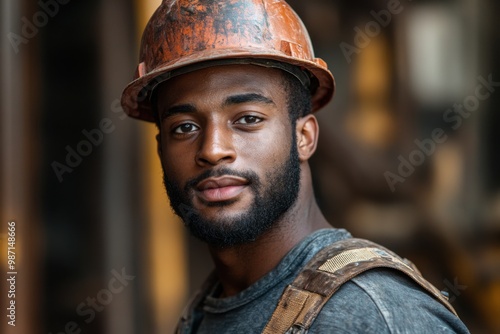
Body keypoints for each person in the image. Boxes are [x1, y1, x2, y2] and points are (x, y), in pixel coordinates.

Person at [121, 0, 470, 332]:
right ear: (160, 148)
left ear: (304, 137)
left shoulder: (373, 316)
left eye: (247, 119)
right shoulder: (211, 308)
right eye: (184, 127)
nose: (212, 150)